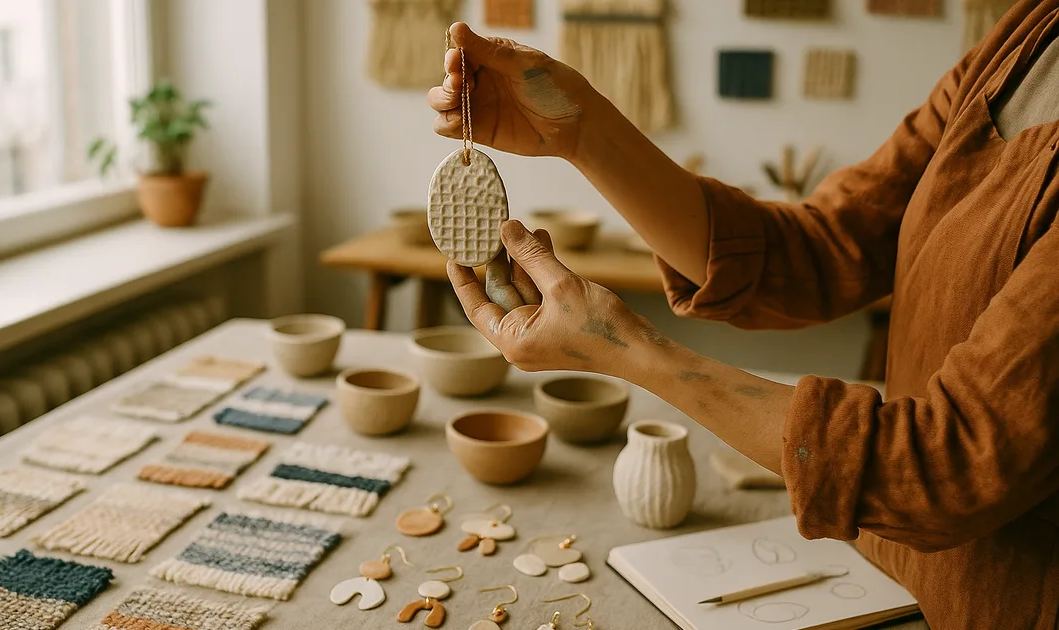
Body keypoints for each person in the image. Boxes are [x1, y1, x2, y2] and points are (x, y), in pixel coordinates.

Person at [428, 3, 1059, 627]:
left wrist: (629, 350)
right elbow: (818, 250)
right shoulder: (1029, 33)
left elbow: (948, 467)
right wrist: (582, 131)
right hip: (889, 575)